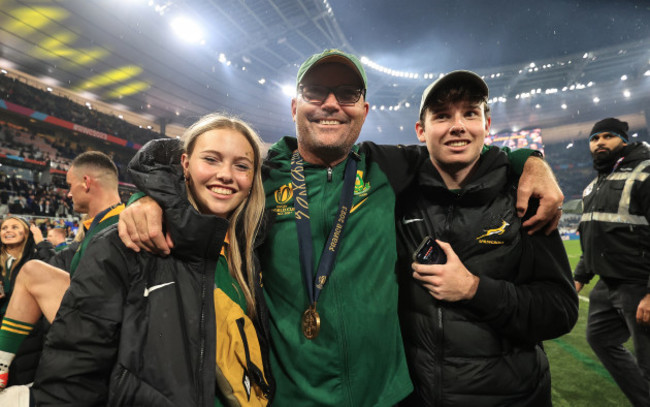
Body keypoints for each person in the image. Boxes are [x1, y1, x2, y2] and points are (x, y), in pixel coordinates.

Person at [117, 50, 564, 405]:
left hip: (391, 396)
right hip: (292, 397)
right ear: (295, 106)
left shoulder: (390, 166)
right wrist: (147, 197)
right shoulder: (260, 173)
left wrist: (533, 163)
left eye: (347, 94)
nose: (331, 103)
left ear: (364, 110)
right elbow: (192, 167)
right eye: (316, 92)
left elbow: (467, 150)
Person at [3, 114, 276, 406]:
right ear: (184, 164)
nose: (226, 174)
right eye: (211, 159)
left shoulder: (251, 253)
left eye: (241, 165)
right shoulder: (128, 241)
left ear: (253, 178)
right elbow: (77, 365)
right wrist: (148, 197)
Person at [396, 71, 579, 406]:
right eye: (442, 116)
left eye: (470, 113)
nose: (458, 125)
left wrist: (473, 289)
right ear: (420, 131)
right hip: (417, 397)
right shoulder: (398, 193)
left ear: (486, 124)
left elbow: (560, 310)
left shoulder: (525, 199)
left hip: (511, 398)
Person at [0, 151, 124, 390]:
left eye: (69, 185)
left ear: (86, 183)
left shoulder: (127, 223)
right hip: (92, 334)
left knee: (32, 272)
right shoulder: (97, 227)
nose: (67, 193)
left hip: (104, 340)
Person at [573, 117, 650, 407]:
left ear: (624, 141)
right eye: (594, 138)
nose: (600, 142)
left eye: (608, 136)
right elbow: (594, 236)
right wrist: (580, 276)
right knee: (601, 338)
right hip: (607, 284)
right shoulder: (595, 185)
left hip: (638, 284)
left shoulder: (646, 173)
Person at [0, 216, 54, 388]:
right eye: (4, 227)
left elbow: (54, 273)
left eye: (15, 227)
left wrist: (42, 243)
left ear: (26, 232)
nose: (8, 230)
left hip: (28, 338)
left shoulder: (34, 260)